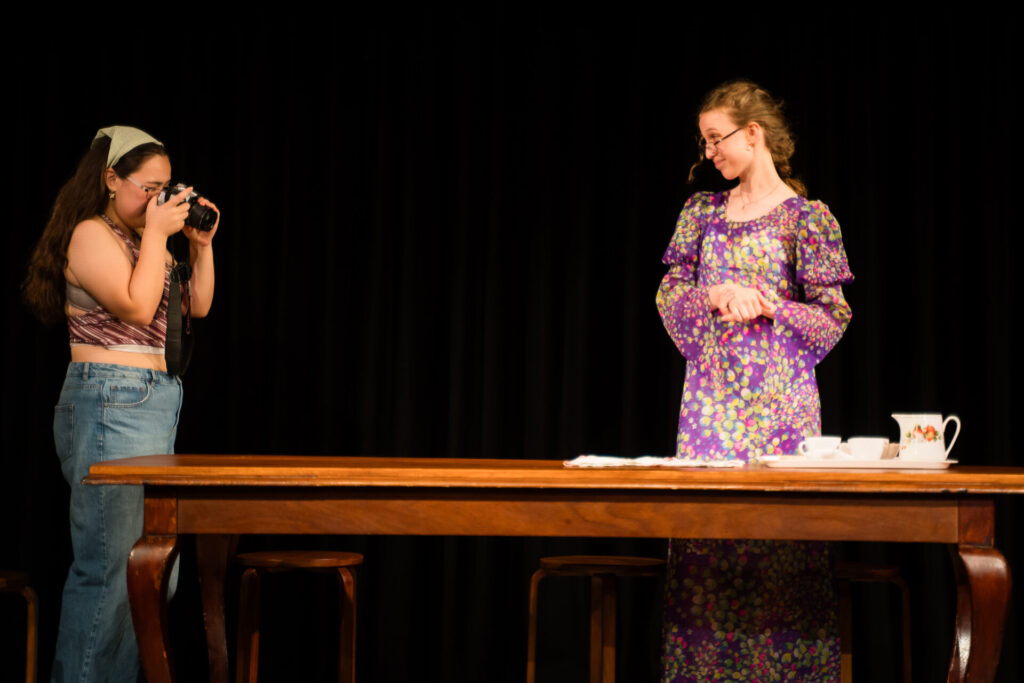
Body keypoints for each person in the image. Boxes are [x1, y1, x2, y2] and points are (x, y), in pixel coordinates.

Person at [656, 81, 853, 680]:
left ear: (753, 133)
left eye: (716, 138)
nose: (709, 151)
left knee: (781, 542)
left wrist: (769, 305)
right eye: (705, 140)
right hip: (712, 405)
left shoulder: (808, 218)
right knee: (707, 539)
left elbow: (833, 315)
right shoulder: (702, 212)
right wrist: (712, 293)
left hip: (781, 410)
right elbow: (669, 295)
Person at [23, 126, 219, 682]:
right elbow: (136, 309)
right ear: (110, 179)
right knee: (112, 570)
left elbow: (196, 307)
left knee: (153, 573)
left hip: (152, 403)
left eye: (166, 189)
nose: (158, 201)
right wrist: (159, 234)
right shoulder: (90, 234)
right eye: (148, 187)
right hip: (111, 399)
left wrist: (199, 248)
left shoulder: (142, 242)